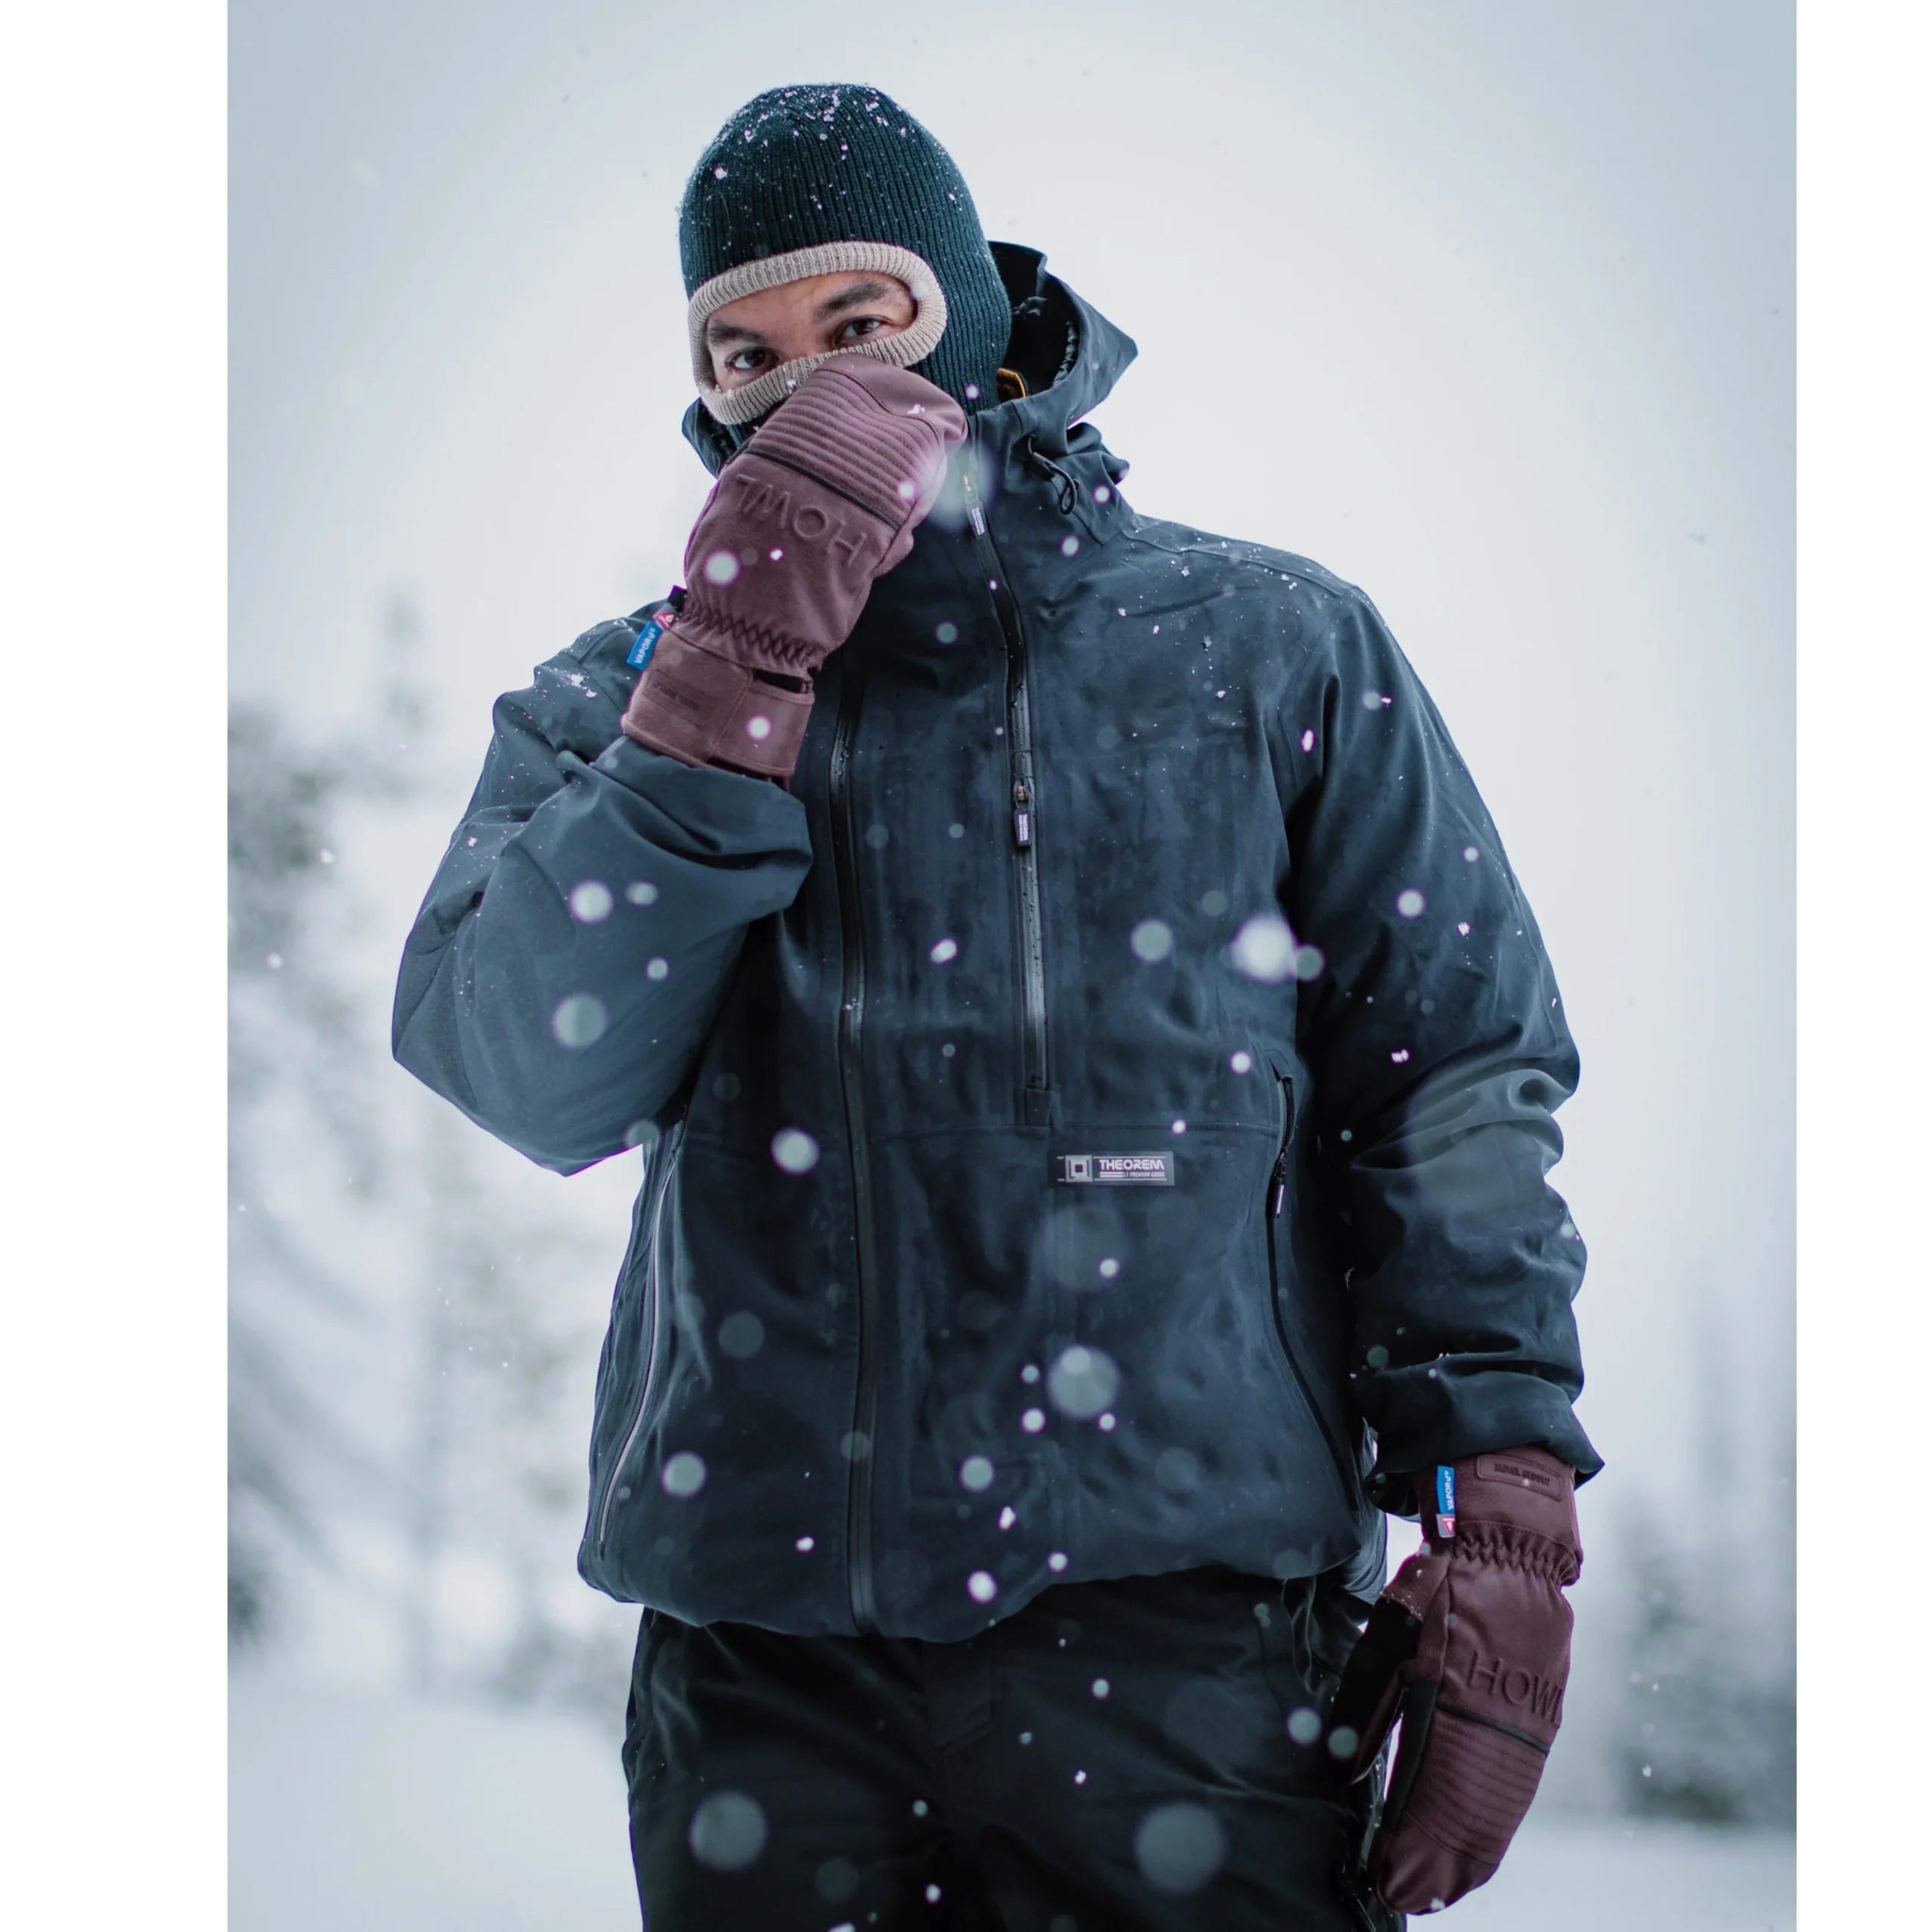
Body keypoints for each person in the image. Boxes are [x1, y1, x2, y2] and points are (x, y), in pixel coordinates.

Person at [393, 82, 1601, 1932]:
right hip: (766, 1672)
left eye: (857, 322)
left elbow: (1448, 1083)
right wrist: (723, 682)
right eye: (744, 354)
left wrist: (1496, 1508)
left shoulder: (1269, 643)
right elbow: (524, 1064)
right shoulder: (619, 698)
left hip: (1185, 1657)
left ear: (965, 312)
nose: (803, 389)